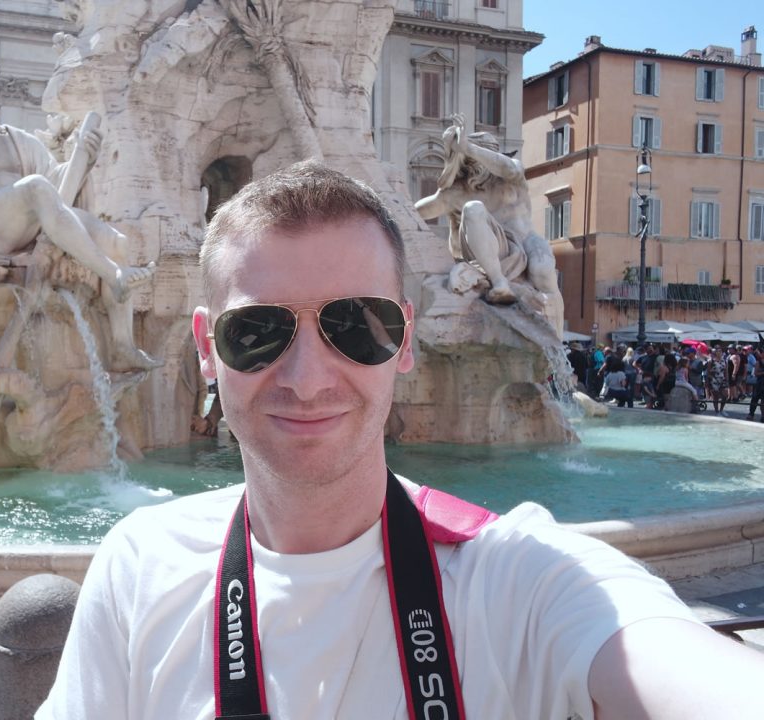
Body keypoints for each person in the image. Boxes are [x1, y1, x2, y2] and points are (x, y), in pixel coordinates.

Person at [37, 161, 764, 719]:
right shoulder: (138, 565)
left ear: (405, 340)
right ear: (205, 347)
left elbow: (683, 671)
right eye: (257, 332)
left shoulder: (520, 578)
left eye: (357, 325)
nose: (307, 376)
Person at [0, 65, 157, 370]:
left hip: (32, 222)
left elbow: (58, 188)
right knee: (35, 187)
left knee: (117, 243)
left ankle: (123, 344)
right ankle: (112, 273)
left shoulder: (18, 140)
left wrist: (85, 157)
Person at [414, 114, 563, 333]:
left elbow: (509, 168)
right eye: (470, 159)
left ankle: (556, 334)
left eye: (481, 156)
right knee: (473, 209)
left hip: (524, 241)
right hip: (493, 254)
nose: (477, 165)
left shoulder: (511, 177)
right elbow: (418, 211)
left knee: (543, 270)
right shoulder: (458, 192)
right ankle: (499, 283)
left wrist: (469, 147)